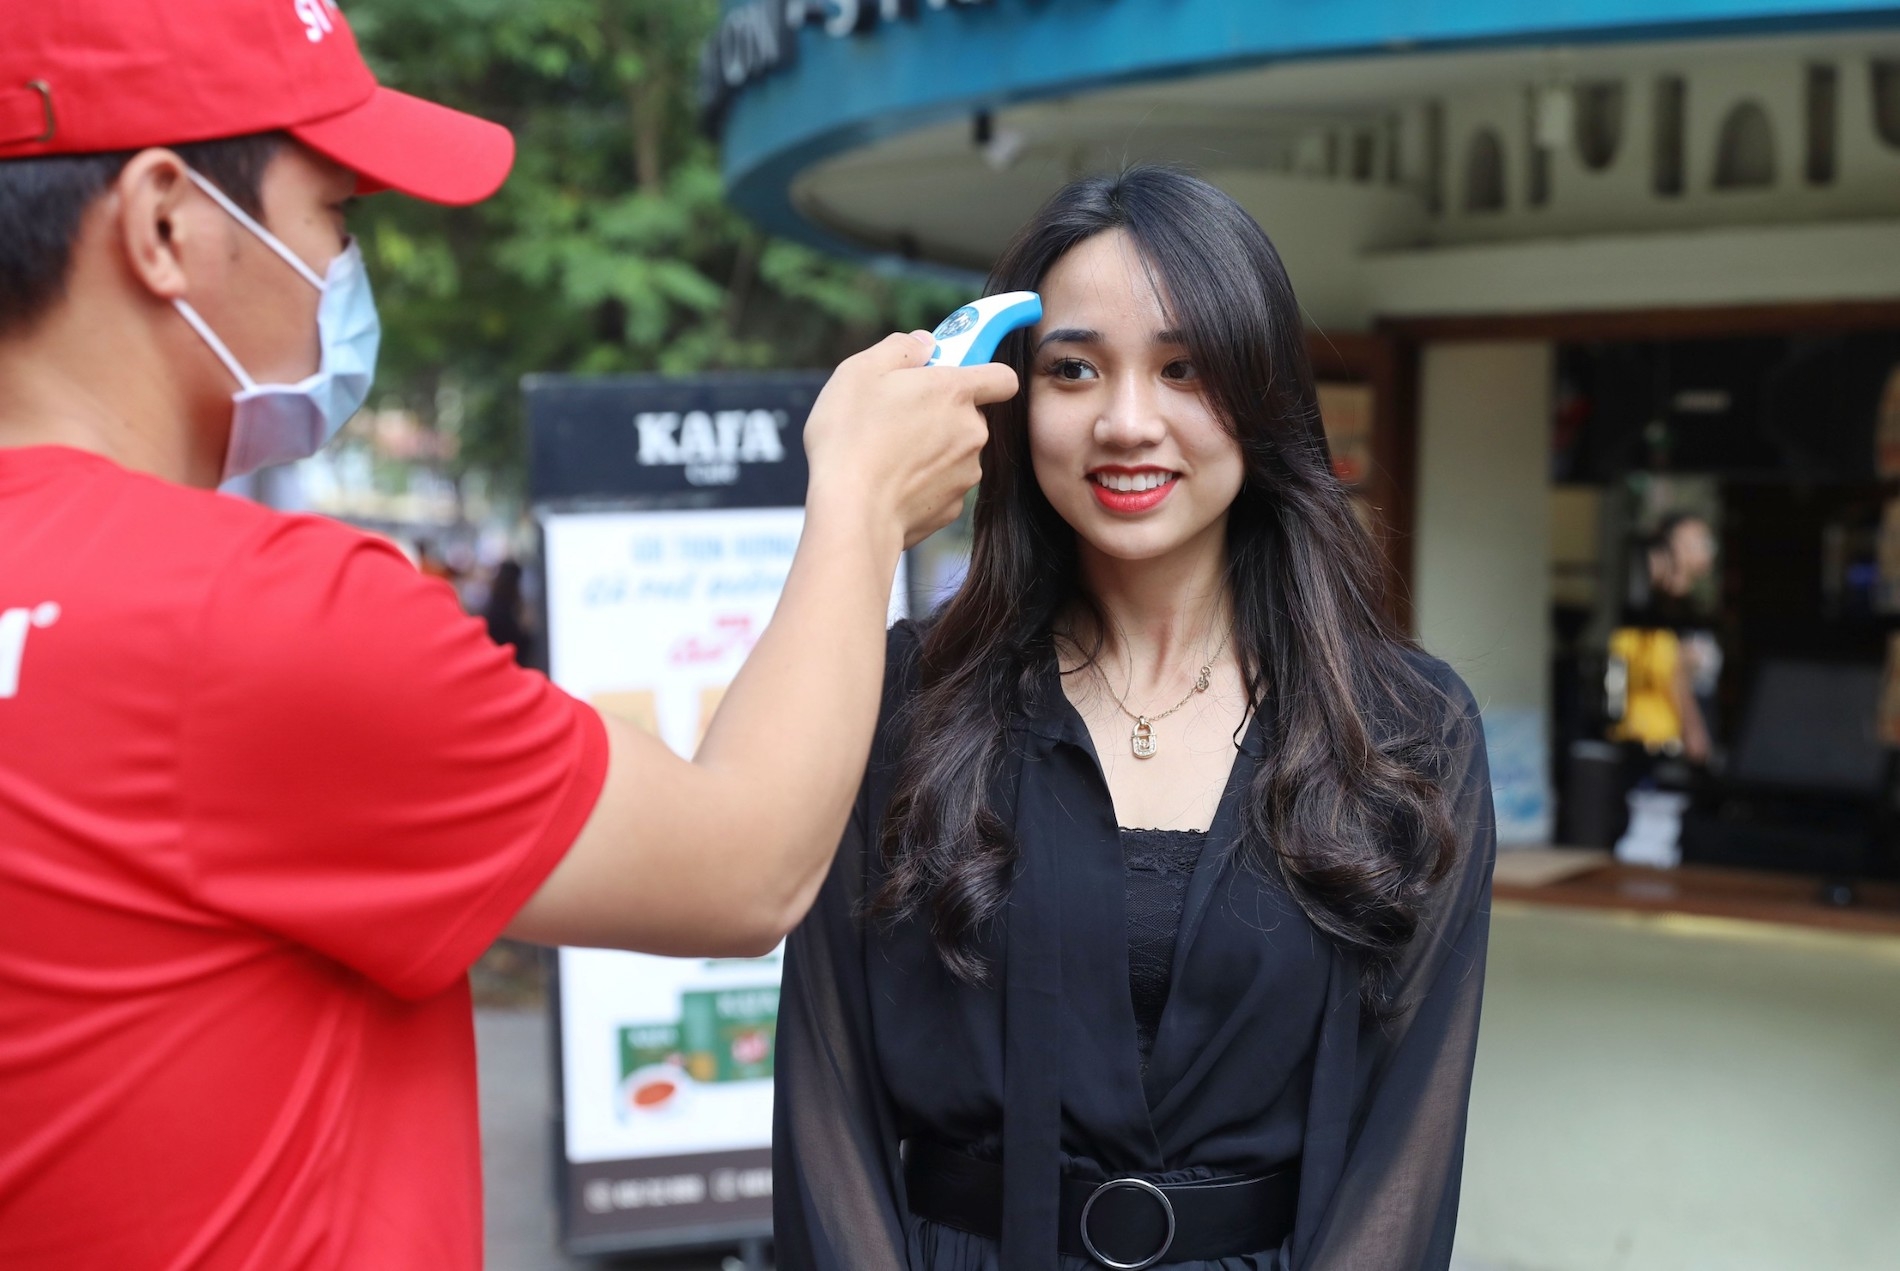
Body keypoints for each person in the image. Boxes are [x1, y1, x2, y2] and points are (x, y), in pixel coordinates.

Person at [0, 2, 1015, 1267]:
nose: (342, 272)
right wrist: (860, 501)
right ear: (166, 223)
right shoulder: (263, 616)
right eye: (336, 217)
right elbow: (743, 864)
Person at [774, 168, 1496, 1271]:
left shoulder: (1405, 730)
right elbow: (826, 1096)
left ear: (1261, 396)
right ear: (1012, 395)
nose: (1125, 421)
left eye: (1183, 368)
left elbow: (1407, 1144)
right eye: (1073, 368)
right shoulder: (900, 701)